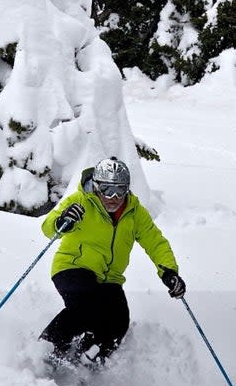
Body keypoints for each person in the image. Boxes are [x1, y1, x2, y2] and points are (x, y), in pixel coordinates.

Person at [39, 155, 186, 367]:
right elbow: (48, 228)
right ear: (97, 187)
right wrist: (63, 221)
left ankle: (88, 360)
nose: (114, 197)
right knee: (85, 306)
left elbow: (156, 243)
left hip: (110, 279)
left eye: (120, 189)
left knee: (118, 321)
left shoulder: (135, 213)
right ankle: (47, 350)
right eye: (108, 190)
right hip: (73, 267)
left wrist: (169, 272)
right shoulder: (81, 201)